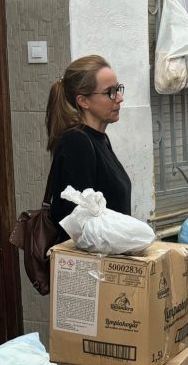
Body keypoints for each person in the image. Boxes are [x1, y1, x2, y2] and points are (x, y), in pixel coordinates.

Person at [45, 55, 132, 237]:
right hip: (89, 263)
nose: (119, 98)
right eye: (110, 92)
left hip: (108, 259)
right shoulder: (77, 144)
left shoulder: (100, 139)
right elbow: (77, 220)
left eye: (118, 89)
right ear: (83, 101)